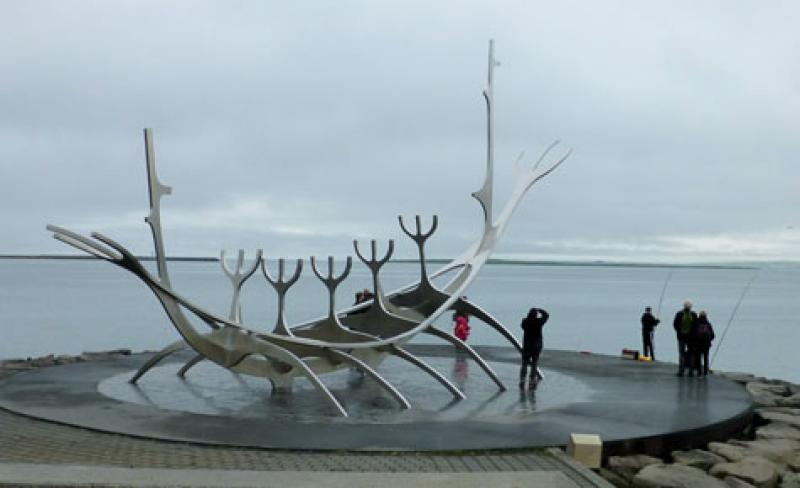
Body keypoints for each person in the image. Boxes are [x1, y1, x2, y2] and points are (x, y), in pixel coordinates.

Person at [519, 307, 549, 390]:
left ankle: (522, 380)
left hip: (527, 346)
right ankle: (532, 380)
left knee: (524, 363)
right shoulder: (539, 322)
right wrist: (540, 310)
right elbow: (546, 315)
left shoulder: (525, 322)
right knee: (534, 364)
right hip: (536, 346)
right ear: (536, 315)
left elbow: (522, 326)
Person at [673, 300, 697, 377]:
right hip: (691, 338)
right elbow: (696, 326)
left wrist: (680, 332)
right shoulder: (693, 314)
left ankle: (681, 371)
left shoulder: (679, 314)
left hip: (681, 337)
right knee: (691, 354)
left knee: (681, 354)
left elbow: (675, 325)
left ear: (684, 306)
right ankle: (691, 372)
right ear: (691, 307)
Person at [694, 311, 715, 377]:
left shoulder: (696, 323)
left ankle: (699, 372)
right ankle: (705, 372)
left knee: (698, 358)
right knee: (706, 358)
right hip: (706, 344)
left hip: (698, 344)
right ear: (706, 316)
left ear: (699, 316)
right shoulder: (708, 324)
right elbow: (713, 335)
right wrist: (709, 341)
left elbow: (693, 334)